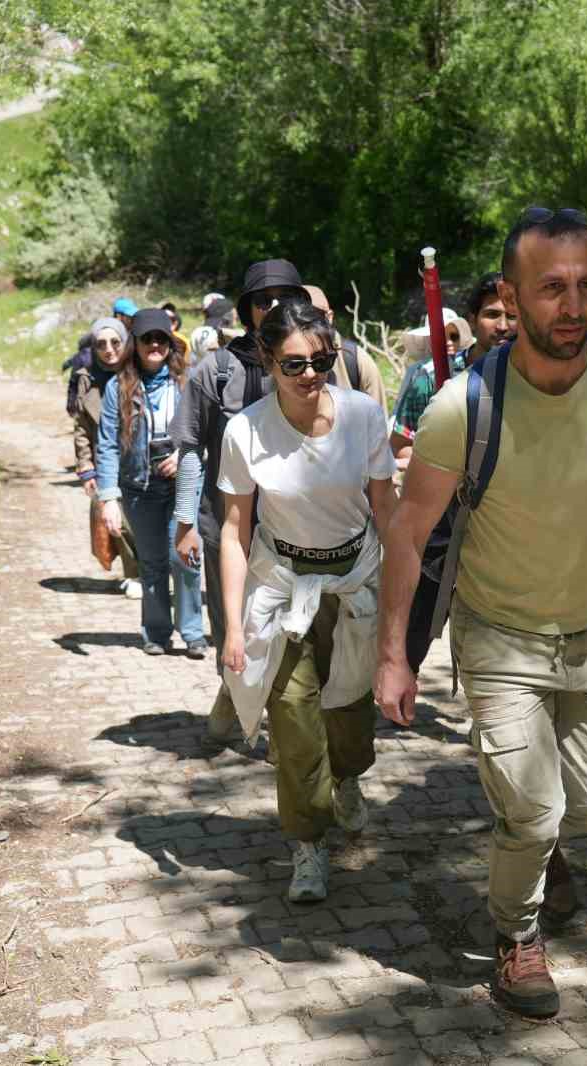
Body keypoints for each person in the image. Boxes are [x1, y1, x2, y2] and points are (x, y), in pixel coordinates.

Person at [374, 207, 587, 1019]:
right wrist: (393, 656)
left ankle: (542, 845)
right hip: (498, 635)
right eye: (551, 288)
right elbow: (409, 537)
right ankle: (517, 939)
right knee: (534, 808)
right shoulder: (464, 406)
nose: (574, 304)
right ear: (512, 302)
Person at [217, 300, 398, 901]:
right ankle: (308, 845)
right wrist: (235, 629)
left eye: (321, 360)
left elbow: (387, 511)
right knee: (294, 724)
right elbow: (234, 532)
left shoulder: (363, 417)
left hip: (354, 585)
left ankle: (347, 777)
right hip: (282, 590)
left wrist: (401, 601)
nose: (309, 374)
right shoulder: (246, 431)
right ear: (267, 358)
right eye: (293, 363)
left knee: (347, 718)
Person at [175, 259, 371, 753]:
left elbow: (360, 453)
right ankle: (245, 705)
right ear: (247, 312)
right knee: (237, 637)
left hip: (324, 537)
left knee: (326, 660)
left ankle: (298, 737)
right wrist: (185, 521)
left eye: (288, 297)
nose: (277, 307)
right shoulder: (215, 371)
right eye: (264, 300)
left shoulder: (331, 362)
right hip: (235, 527)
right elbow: (191, 451)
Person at [96, 309, 208, 658]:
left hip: (184, 481)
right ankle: (156, 633)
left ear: (171, 344)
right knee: (153, 561)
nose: (155, 345)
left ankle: (192, 631)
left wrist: (186, 452)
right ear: (137, 345)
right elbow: (108, 444)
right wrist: (109, 497)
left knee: (185, 556)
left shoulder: (188, 381)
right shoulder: (118, 387)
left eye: (162, 338)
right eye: (148, 339)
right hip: (138, 485)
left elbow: (206, 429)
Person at [391, 273, 513, 468]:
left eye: (513, 316)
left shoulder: (540, 377)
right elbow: (401, 444)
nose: (503, 326)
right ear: (472, 320)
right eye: (492, 314)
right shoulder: (430, 377)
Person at [72, 317, 142, 598]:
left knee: (142, 519)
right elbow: (81, 426)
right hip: (105, 461)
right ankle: (135, 573)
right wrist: (85, 466)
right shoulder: (87, 378)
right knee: (117, 521)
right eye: (101, 344)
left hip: (138, 458)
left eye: (115, 342)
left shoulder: (140, 373)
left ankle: (151, 571)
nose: (109, 349)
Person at [302, 284, 387, 410]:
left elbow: (378, 421)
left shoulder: (356, 360)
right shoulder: (278, 362)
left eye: (314, 316)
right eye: (301, 317)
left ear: (329, 317)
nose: (307, 324)